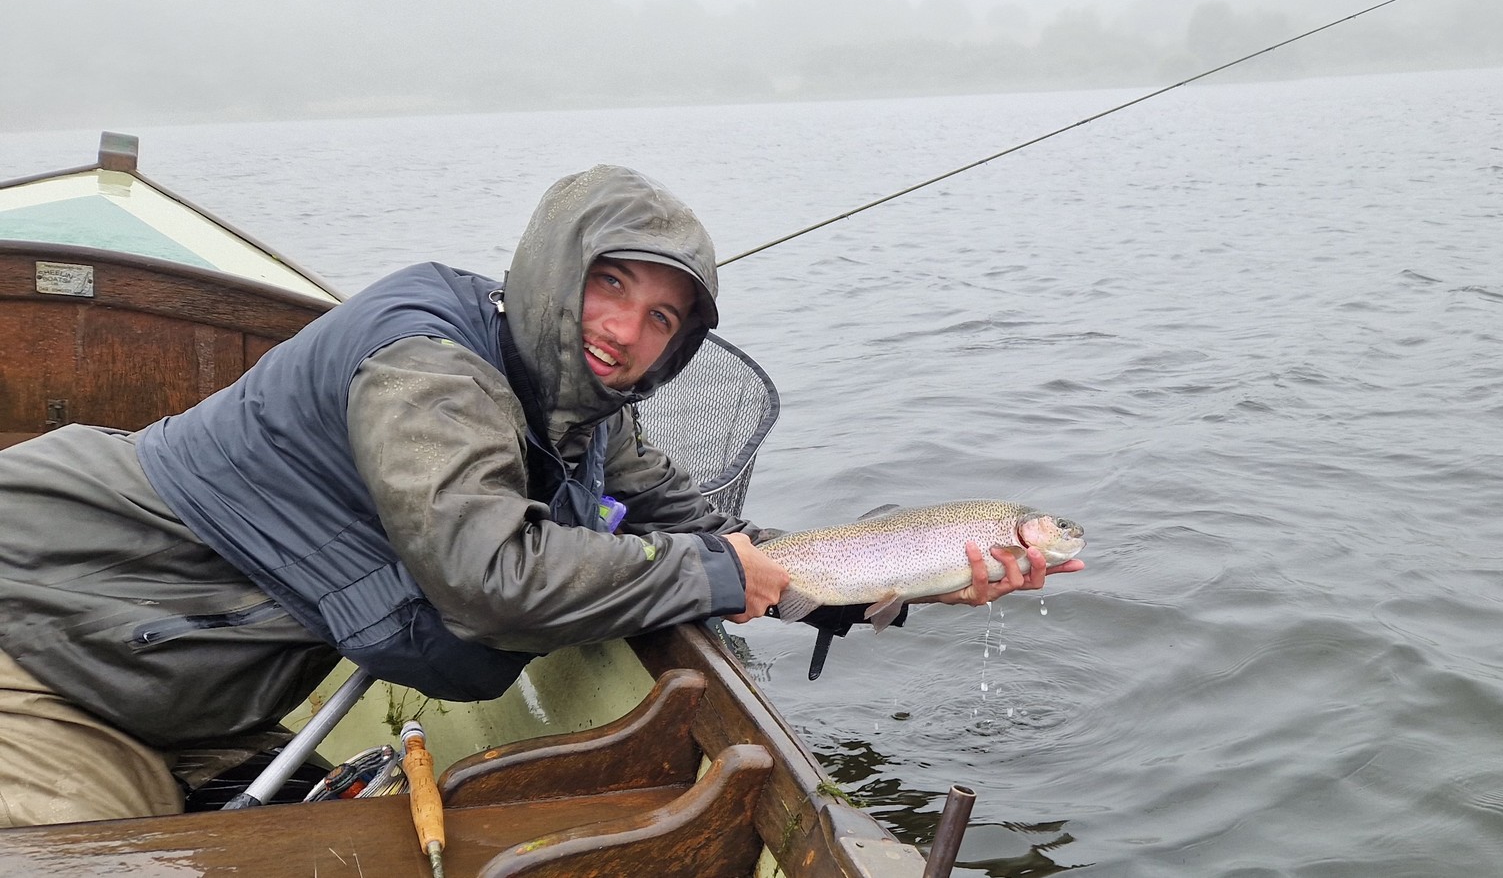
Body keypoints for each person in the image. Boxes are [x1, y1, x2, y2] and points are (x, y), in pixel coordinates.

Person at [0, 164, 1078, 827]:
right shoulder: (428, 366)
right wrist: (710, 570)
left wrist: (900, 585)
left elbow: (723, 546)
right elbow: (485, 580)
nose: (626, 330)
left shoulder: (590, 420)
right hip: (49, 639)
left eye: (663, 318)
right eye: (612, 283)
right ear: (555, 270)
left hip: (176, 690)